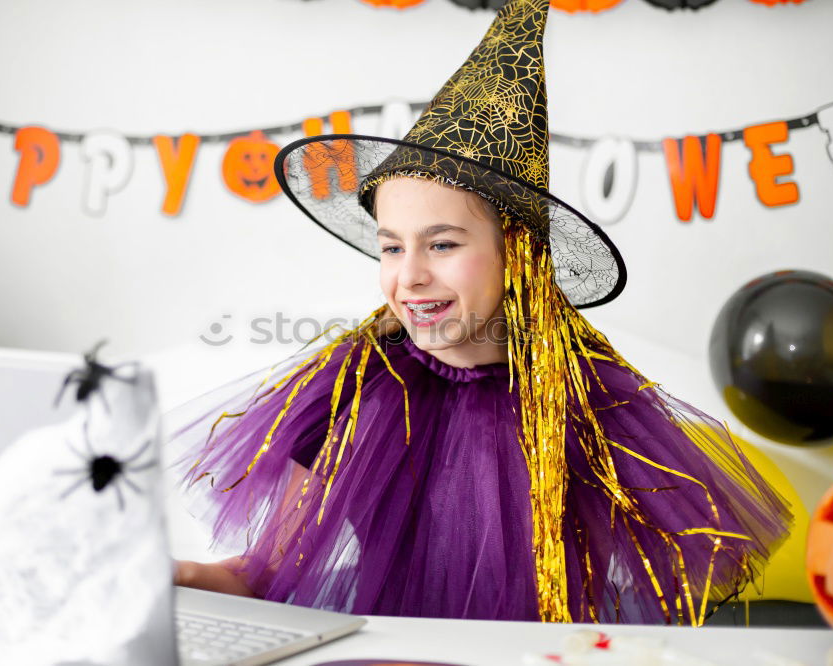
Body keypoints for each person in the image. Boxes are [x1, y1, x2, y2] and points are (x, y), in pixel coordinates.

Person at [167, 0, 791, 624]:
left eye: (441, 244)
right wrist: (172, 576)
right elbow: (264, 575)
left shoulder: (580, 393)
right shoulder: (356, 384)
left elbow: (616, 604)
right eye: (391, 246)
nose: (408, 274)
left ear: (514, 253)